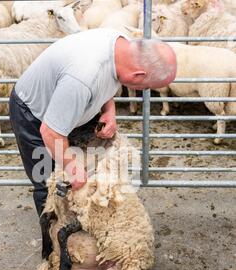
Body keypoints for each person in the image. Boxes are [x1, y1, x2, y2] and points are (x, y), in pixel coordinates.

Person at [9, 28, 177, 217]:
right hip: (34, 113)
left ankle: (83, 224)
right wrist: (73, 170)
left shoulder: (125, 47)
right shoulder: (83, 76)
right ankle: (54, 242)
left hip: (71, 107)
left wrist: (109, 111)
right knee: (49, 181)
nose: (144, 90)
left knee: (88, 168)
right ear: (138, 75)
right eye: (146, 87)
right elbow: (50, 132)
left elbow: (107, 78)